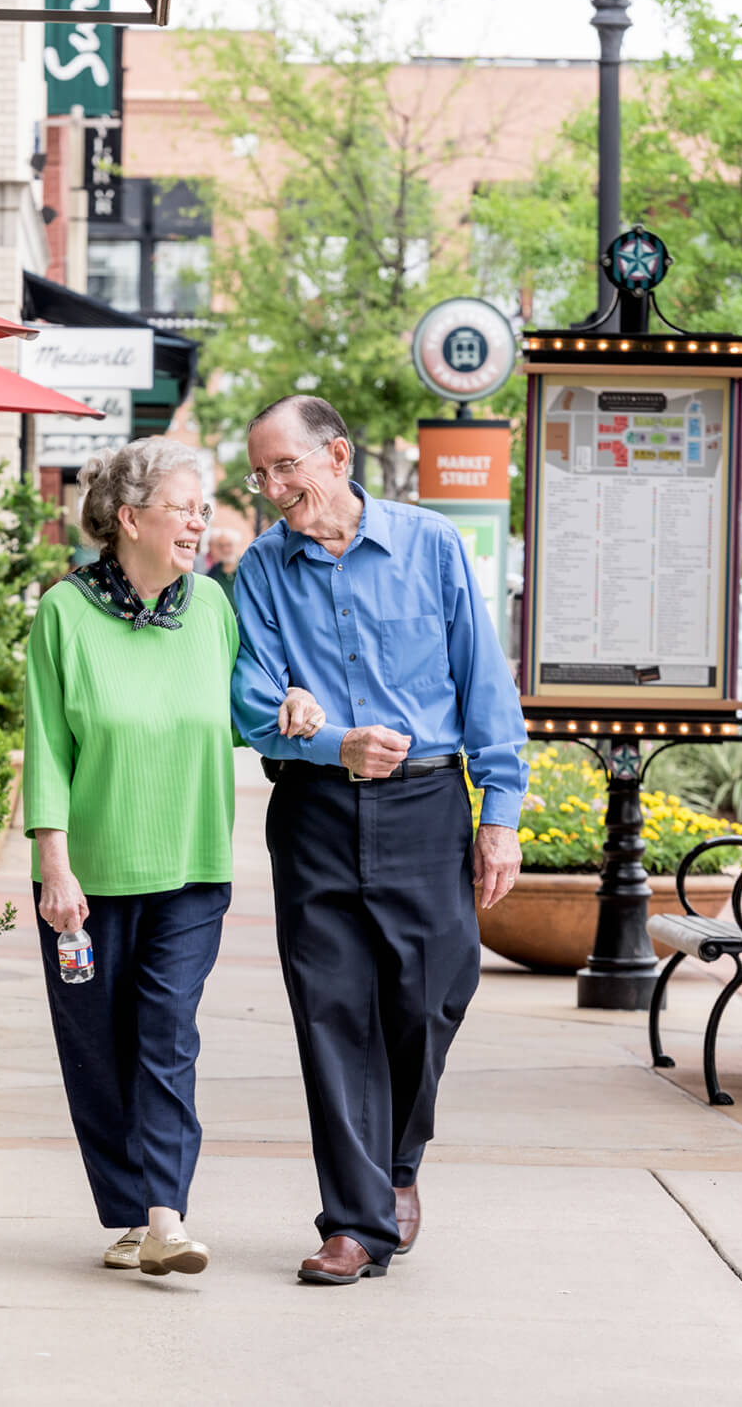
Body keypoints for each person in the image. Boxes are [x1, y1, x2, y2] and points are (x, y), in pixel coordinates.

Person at [231, 395, 528, 1286]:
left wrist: (500, 814)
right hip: (317, 812)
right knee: (331, 1014)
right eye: (261, 473)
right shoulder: (260, 569)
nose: (274, 487)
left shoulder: (429, 545)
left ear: (337, 456)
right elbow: (250, 702)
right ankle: (355, 1221)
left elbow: (484, 682)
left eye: (286, 466)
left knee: (431, 996)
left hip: (428, 805)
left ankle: (398, 1163)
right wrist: (326, 740)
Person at [23, 437, 323, 1278]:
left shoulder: (212, 609)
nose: (201, 521)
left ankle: (164, 1212)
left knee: (165, 1034)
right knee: (96, 1045)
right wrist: (54, 864)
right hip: (88, 874)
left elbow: (246, 706)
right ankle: (127, 1212)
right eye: (185, 508)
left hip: (192, 869)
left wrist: (290, 700)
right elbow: (46, 745)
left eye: (203, 508)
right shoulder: (65, 613)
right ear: (129, 518)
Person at [204, 527, 243, 610]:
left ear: (237, 546)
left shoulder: (248, 571)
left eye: (229, 545)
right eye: (221, 546)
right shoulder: (211, 575)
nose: (225, 549)